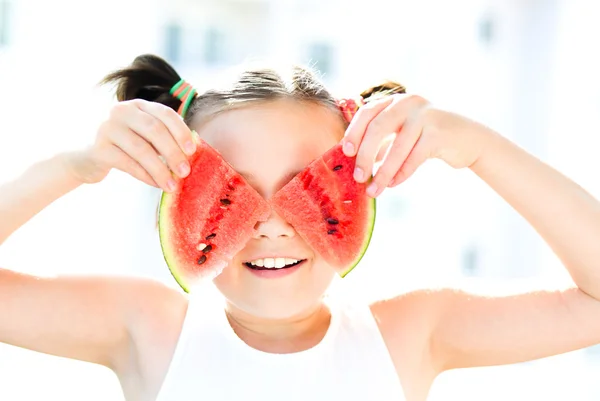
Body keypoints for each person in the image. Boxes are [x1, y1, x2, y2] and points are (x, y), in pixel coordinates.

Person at [1, 54, 600, 401]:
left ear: (357, 185)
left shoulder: (410, 332)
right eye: (230, 193)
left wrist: (482, 149)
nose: (269, 225)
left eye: (304, 189)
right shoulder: (148, 326)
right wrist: (74, 167)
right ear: (178, 196)